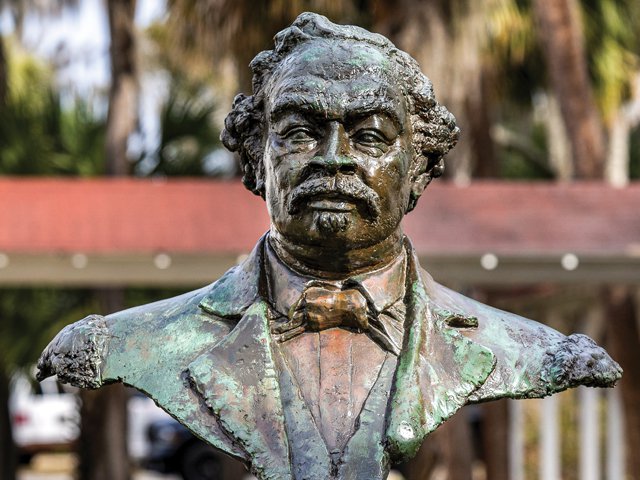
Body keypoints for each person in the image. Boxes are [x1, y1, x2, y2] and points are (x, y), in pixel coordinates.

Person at [38, 13, 621, 480]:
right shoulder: (125, 343)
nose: (335, 157)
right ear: (255, 159)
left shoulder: (533, 351)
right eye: (299, 131)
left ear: (419, 167)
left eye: (370, 135)